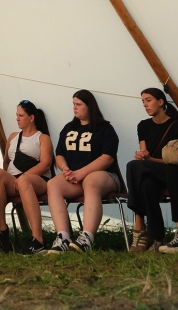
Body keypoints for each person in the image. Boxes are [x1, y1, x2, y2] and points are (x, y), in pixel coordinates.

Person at [47, 89, 120, 254]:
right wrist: (65, 169)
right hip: (75, 178)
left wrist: (81, 173)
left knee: (91, 182)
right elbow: (59, 154)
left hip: (105, 177)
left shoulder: (105, 128)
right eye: (73, 104)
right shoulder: (69, 128)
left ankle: (87, 238)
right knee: (53, 184)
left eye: (79, 104)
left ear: (89, 106)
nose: (75, 108)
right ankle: (63, 237)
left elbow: (107, 158)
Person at [0, 100, 53, 254]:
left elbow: (45, 164)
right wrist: (9, 178)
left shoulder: (42, 138)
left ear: (31, 118)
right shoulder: (12, 137)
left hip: (37, 179)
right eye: (16, 115)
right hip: (14, 180)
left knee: (24, 181)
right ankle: (3, 231)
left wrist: (23, 177)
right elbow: (6, 162)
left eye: (20, 115)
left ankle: (38, 239)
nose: (17, 118)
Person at [125, 87, 178, 253]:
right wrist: (144, 157)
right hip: (150, 171)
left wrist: (149, 160)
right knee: (146, 184)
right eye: (143, 101)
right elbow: (144, 153)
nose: (145, 105)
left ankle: (139, 228)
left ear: (161, 101)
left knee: (133, 166)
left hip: (171, 170)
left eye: (148, 100)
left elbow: (175, 158)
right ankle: (158, 238)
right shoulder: (143, 126)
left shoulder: (176, 124)